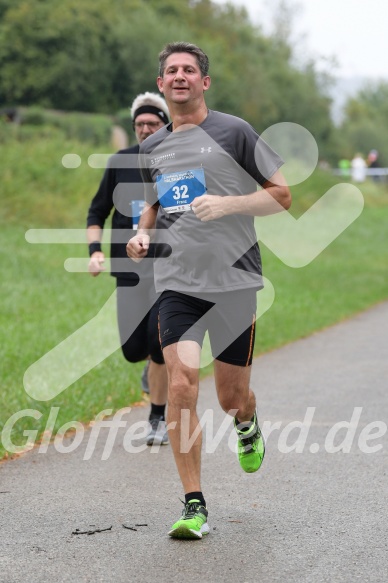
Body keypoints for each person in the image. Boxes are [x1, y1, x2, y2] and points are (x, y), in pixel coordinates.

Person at [126, 42, 291, 539]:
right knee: (180, 385)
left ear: (204, 82)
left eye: (189, 70)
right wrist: (142, 232)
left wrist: (230, 205)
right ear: (161, 84)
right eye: (171, 70)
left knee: (230, 396)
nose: (180, 76)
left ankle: (247, 422)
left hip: (235, 281)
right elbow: (153, 204)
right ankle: (193, 503)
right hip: (177, 283)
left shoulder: (235, 131)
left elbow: (281, 195)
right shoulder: (150, 148)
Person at [87, 92, 170, 446]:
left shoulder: (175, 161)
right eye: (140, 125)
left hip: (167, 269)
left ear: (164, 125)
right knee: (133, 349)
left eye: (153, 124)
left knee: (159, 344)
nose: (146, 129)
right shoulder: (120, 162)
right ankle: (149, 370)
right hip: (127, 267)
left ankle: (157, 418)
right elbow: (97, 212)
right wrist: (94, 251)